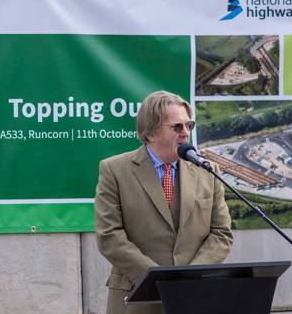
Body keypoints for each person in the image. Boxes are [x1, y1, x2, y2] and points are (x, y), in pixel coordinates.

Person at [95, 90, 233, 314]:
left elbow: (221, 233)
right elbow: (109, 236)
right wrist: (158, 280)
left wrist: (188, 279)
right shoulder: (115, 170)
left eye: (190, 125)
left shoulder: (207, 171)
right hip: (136, 298)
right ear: (150, 133)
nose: (185, 133)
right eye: (177, 127)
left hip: (194, 297)